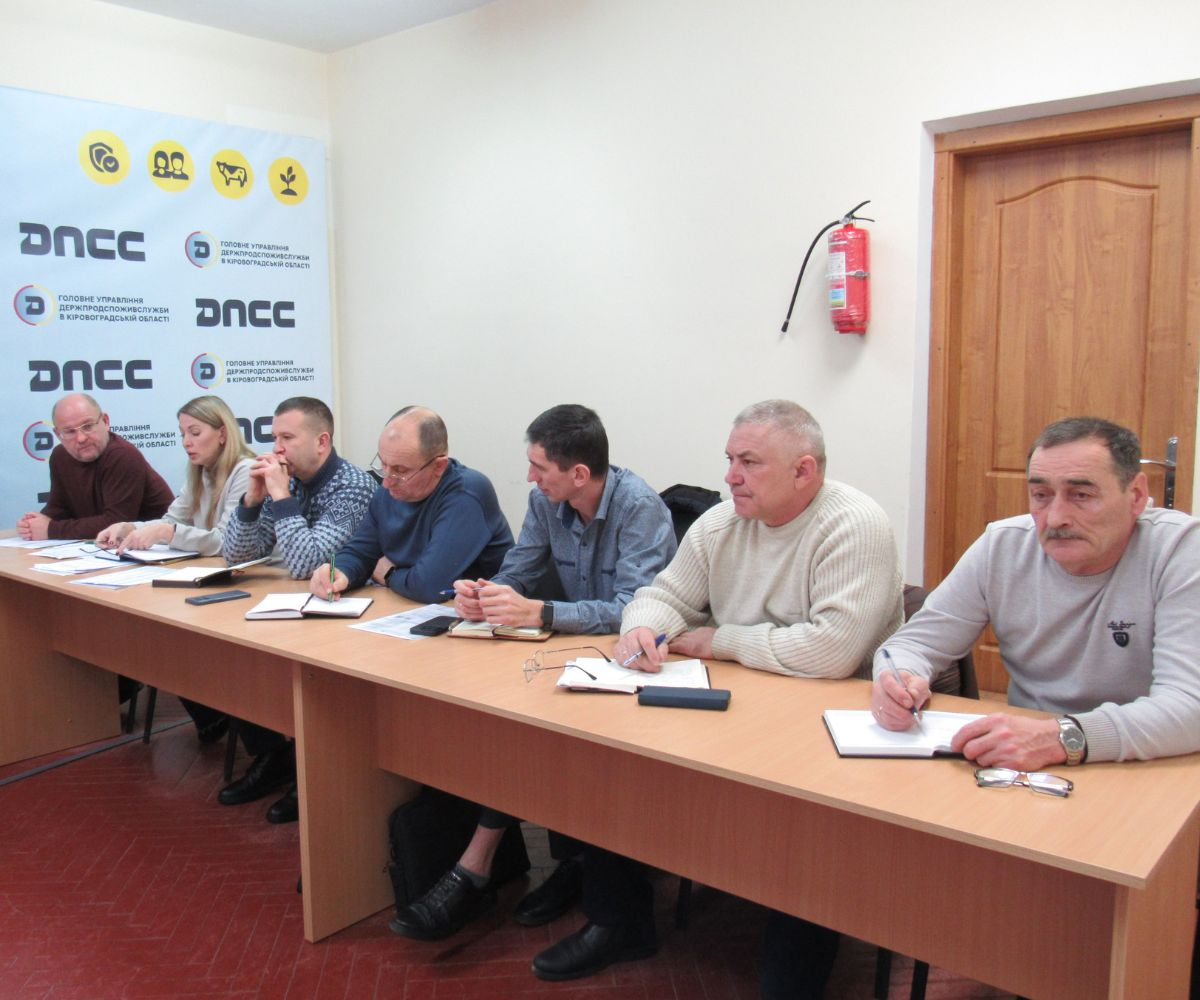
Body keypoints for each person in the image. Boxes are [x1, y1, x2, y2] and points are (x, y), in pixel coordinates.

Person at [530, 399, 903, 985]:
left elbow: (832, 652)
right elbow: (662, 596)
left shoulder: (855, 525)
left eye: (749, 462)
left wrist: (720, 640)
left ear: (803, 471)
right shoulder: (721, 523)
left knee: (803, 830)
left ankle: (791, 980)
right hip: (739, 705)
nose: (730, 476)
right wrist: (641, 630)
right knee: (610, 759)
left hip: (824, 720)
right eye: (730, 459)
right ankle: (618, 921)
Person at [388, 404, 677, 943]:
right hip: (575, 659)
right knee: (508, 725)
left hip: (634, 665)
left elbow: (632, 608)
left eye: (539, 467)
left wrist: (541, 612)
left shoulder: (641, 510)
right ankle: (556, 865)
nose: (529, 477)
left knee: (545, 740)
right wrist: (483, 595)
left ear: (579, 474)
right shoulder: (546, 502)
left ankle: (485, 871)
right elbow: (518, 570)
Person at [873, 415, 1200, 766]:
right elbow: (914, 644)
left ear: (1136, 496)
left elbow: (1189, 706)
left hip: (1149, 762)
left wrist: (1061, 737)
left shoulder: (1181, 550)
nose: (1055, 518)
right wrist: (898, 678)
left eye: (1081, 495)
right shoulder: (1003, 546)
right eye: (1041, 495)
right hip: (1028, 762)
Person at [218, 397, 375, 823]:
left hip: (347, 619)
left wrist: (280, 495)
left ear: (322, 441)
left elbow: (310, 563)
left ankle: (314, 773)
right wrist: (253, 499)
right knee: (235, 650)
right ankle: (274, 756)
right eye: (274, 438)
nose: (277, 448)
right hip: (300, 609)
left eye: (287, 438)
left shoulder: (353, 486)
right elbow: (235, 555)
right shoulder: (287, 482)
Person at [96, 395, 254, 744]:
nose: (186, 442)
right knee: (161, 632)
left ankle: (222, 715)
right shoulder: (200, 472)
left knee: (179, 636)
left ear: (222, 433)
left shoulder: (244, 471)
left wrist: (167, 533)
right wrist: (130, 527)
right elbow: (170, 520)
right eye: (183, 433)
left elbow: (224, 541)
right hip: (208, 578)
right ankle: (211, 715)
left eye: (195, 433)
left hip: (248, 580)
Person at [308, 405, 513, 604]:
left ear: (439, 466)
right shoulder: (390, 490)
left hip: (477, 617)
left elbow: (429, 586)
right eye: (383, 464)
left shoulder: (467, 493)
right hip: (407, 607)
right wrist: (339, 573)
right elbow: (361, 552)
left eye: (401, 470)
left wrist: (388, 573)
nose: (387, 481)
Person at [17, 393, 174, 541]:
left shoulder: (122, 455)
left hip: (157, 547)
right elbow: (59, 508)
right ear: (58, 435)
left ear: (105, 421)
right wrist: (33, 524)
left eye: (88, 426)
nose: (81, 438)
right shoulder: (60, 456)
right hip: (105, 548)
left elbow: (117, 523)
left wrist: (51, 529)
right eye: (69, 432)